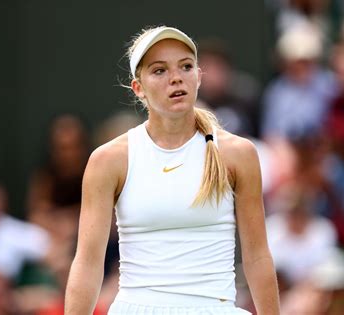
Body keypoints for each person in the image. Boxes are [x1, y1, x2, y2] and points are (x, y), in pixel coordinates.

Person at [64, 26, 280, 314]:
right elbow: (88, 263)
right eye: (159, 71)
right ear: (137, 88)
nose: (176, 77)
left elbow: (257, 256)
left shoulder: (238, 154)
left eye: (186, 66)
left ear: (198, 76)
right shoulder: (108, 160)